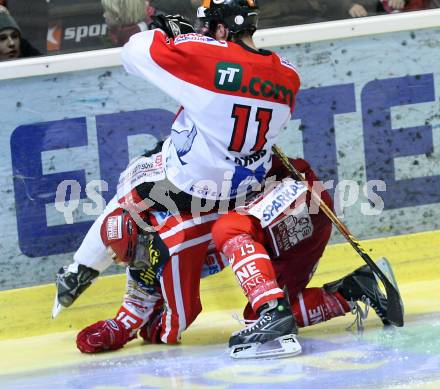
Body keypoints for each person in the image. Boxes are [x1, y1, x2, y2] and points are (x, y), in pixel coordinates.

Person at [53, 0, 301, 322]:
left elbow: (133, 52)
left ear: (223, 29)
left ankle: (79, 271)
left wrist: (178, 38)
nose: (205, 33)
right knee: (172, 147)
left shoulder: (208, 56)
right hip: (248, 185)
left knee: (130, 189)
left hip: (196, 185)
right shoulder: (289, 74)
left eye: (210, 29)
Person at [76, 156, 400, 358]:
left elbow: (179, 319)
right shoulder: (148, 243)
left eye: (137, 255)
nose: (138, 265)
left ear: (145, 229)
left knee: (229, 230)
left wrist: (150, 330)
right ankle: (355, 290)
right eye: (130, 261)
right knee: (257, 319)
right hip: (278, 227)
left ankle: (272, 310)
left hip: (292, 197)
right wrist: (117, 327)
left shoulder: (170, 242)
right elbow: (140, 297)